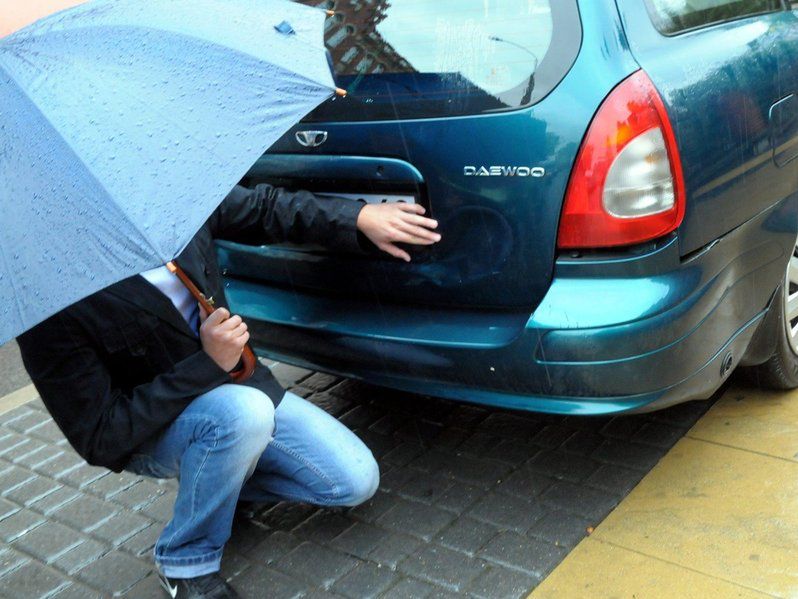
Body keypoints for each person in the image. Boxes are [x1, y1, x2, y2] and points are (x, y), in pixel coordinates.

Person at [17, 184, 441, 599]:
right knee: (242, 414)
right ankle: (185, 561)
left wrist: (357, 217)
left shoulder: (167, 200)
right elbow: (99, 437)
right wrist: (206, 364)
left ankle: (220, 478)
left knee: (353, 481)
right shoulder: (48, 299)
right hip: (160, 430)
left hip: (243, 388)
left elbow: (264, 207)